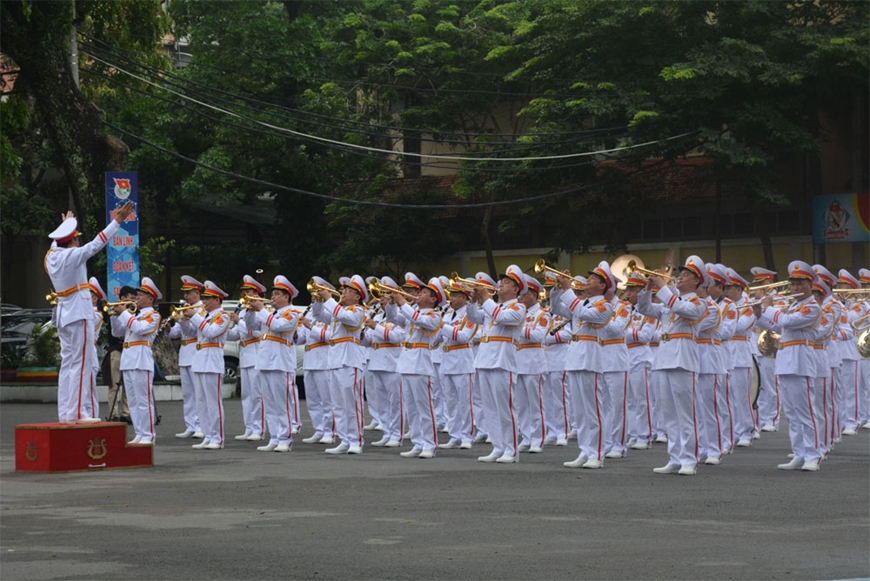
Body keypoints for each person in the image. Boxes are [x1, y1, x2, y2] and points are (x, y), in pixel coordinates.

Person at [45, 201, 134, 423]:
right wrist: (117, 221)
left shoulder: (51, 256)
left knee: (68, 364)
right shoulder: (72, 256)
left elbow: (57, 243)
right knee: (82, 364)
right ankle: (77, 413)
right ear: (72, 241)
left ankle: (66, 412)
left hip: (65, 313)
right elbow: (97, 243)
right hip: (79, 312)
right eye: (76, 238)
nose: (78, 241)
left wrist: (65, 226)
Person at [637, 256, 707, 475]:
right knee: (668, 413)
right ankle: (675, 457)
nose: (680, 277)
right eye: (681, 273)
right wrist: (648, 289)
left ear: (697, 281)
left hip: (683, 358)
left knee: (686, 413)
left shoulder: (698, 303)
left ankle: (689, 459)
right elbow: (645, 308)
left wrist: (662, 287)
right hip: (664, 358)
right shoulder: (671, 300)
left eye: (686, 275)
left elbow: (683, 309)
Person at [752, 261, 822, 471]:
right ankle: (799, 453)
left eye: (800, 283)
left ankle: (812, 455)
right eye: (793, 284)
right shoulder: (793, 305)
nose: (795, 288)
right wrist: (759, 315)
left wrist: (768, 306)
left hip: (801, 360)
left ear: (810, 285)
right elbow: (777, 326)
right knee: (791, 411)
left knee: (806, 410)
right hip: (786, 359)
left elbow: (787, 322)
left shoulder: (812, 307)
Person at [550, 262, 616, 470]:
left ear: (603, 285)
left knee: (593, 409)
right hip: (575, 357)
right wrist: (557, 288)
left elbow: (583, 313)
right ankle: (585, 450)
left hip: (590, 358)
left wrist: (568, 289)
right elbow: (555, 308)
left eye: (594, 278)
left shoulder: (604, 306)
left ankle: (597, 452)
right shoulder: (582, 303)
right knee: (579, 410)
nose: (588, 280)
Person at [468, 265, 527, 464]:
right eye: (501, 282)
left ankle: (511, 449)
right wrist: (473, 301)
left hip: (503, 360)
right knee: (489, 407)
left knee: (505, 408)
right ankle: (498, 447)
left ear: (516, 289)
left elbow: (502, 319)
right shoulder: (494, 307)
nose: (501, 285)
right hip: (485, 359)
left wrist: (486, 299)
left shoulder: (518, 307)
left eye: (506, 283)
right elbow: (473, 317)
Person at [312, 274, 368, 455]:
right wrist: (319, 300)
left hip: (350, 360)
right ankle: (344, 439)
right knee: (338, 404)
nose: (343, 294)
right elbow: (319, 315)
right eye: (343, 291)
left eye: (348, 291)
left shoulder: (357, 311)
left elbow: (346, 317)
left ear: (358, 296)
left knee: (351, 403)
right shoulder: (338, 311)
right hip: (335, 361)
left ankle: (356, 440)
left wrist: (329, 298)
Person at [393, 278, 446, 459]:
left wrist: (401, 301)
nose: (418, 294)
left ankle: (429, 444)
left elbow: (420, 321)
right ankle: (417, 442)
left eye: (423, 293)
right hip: (407, 361)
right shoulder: (413, 311)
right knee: (412, 408)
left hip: (421, 363)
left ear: (433, 299)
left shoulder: (434, 315)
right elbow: (394, 318)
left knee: (425, 408)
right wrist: (392, 302)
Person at [248, 276, 301, 453]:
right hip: (266, 361)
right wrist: (251, 310)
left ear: (287, 297)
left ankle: (285, 438)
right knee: (269, 403)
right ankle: (275, 437)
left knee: (282, 403)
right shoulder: (270, 312)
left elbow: (278, 326)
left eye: (277, 294)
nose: (273, 297)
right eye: (273, 294)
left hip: (281, 362)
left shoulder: (292, 313)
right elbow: (251, 326)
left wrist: (262, 309)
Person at [112, 277, 162, 445]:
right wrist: (115, 314)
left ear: (150, 299)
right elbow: (117, 331)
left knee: (143, 401)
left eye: (141, 295)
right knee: (133, 401)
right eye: (138, 294)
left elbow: (140, 329)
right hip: (128, 359)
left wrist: (124, 313)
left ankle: (148, 435)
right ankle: (139, 433)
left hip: (141, 360)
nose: (137, 298)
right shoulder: (133, 314)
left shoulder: (154, 316)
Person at [363, 276, 407, 448]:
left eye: (385, 295)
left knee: (395, 402)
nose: (381, 298)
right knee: (381, 403)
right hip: (376, 362)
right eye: (380, 295)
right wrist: (361, 335)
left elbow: (397, 337)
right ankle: (387, 433)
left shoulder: (401, 317)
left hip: (392, 363)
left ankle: (397, 435)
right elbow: (369, 340)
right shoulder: (379, 317)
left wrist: (376, 327)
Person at [186, 281, 230, 450]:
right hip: (199, 360)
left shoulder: (223, 316)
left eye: (207, 298)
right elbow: (189, 331)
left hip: (212, 360)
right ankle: (207, 435)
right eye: (203, 298)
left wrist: (194, 316)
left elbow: (211, 332)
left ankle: (218, 437)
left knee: (213, 402)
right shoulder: (204, 316)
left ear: (217, 300)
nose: (204, 301)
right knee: (201, 401)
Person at [437, 281, 480, 450]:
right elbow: (440, 336)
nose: (451, 298)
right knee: (451, 402)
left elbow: (464, 336)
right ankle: (454, 436)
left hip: (462, 361)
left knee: (465, 402)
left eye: (455, 295)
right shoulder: (447, 315)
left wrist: (442, 327)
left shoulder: (470, 315)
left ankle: (467, 436)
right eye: (451, 295)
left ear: (464, 297)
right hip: (447, 360)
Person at [228, 274, 267, 441]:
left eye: (249, 292)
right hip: (245, 355)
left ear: (257, 294)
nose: (246, 296)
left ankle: (259, 429)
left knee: (257, 394)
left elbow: (259, 332)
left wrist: (239, 322)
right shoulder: (244, 311)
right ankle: (249, 427)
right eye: (245, 292)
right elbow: (236, 335)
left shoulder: (262, 311)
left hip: (257, 353)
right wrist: (224, 330)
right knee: (246, 395)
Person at [298, 276, 336, 445]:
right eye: (312, 294)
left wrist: (309, 326)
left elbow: (330, 337)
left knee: (327, 400)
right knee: (313, 400)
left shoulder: (331, 314)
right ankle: (319, 429)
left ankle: (330, 431)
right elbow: (301, 339)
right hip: (310, 360)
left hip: (324, 359)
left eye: (317, 293)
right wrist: (294, 333)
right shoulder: (313, 314)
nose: (313, 297)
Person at [166, 275, 205, 439]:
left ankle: (201, 425)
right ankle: (190, 425)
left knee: (199, 392)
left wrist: (183, 318)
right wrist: (169, 326)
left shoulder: (202, 310)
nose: (185, 296)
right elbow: (178, 334)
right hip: (185, 352)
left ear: (196, 292)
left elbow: (194, 330)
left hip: (196, 351)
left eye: (188, 293)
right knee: (188, 393)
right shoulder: (185, 308)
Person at [514, 274, 550, 454]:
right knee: (521, 404)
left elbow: (538, 335)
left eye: (524, 294)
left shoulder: (542, 313)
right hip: (519, 360)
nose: (520, 298)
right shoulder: (520, 312)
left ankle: (537, 439)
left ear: (534, 295)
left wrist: (519, 328)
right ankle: (526, 437)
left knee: (536, 404)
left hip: (534, 362)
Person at [623, 273, 657, 451]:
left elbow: (646, 335)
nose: (628, 293)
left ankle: (645, 435)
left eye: (633, 289)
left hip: (641, 355)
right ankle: (634, 433)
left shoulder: (649, 310)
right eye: (628, 289)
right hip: (626, 355)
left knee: (642, 399)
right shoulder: (624, 310)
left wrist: (625, 332)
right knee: (629, 400)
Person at [103, 285, 135, 423]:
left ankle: (125, 412)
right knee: (114, 384)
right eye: (131, 298)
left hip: (128, 350)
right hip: (116, 350)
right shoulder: (114, 312)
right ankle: (113, 413)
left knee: (128, 384)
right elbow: (116, 332)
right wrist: (120, 314)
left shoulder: (134, 312)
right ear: (122, 298)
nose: (134, 301)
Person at [85, 277, 106, 421]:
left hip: (90, 353)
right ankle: (85, 415)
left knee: (90, 389)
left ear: (94, 299)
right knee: (82, 389)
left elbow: (85, 320)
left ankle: (93, 416)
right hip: (81, 352)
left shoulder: (97, 314)